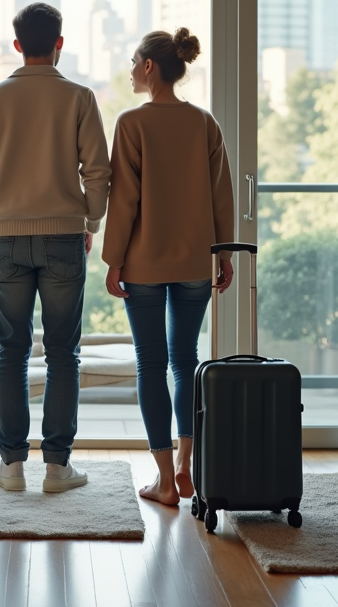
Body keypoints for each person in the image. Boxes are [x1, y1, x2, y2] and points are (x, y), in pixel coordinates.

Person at [0, 2, 112, 493]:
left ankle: (9, 466)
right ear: (60, 43)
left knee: (12, 350)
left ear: (16, 45)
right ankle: (57, 466)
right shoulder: (79, 97)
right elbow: (98, 171)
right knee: (63, 352)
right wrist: (90, 220)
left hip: (5, 237)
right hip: (64, 237)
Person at [102, 28, 235, 506]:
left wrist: (113, 260)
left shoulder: (131, 124)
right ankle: (185, 466)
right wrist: (222, 252)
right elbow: (223, 194)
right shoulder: (204, 123)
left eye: (134, 61)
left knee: (151, 363)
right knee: (186, 362)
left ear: (149, 67)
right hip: (195, 260)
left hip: (143, 263)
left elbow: (125, 202)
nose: (131, 69)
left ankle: (162, 480)